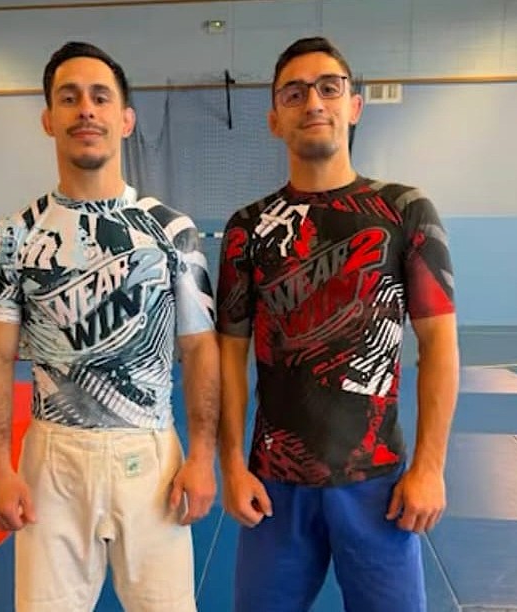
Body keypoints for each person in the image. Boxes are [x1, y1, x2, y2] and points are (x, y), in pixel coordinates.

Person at [0, 41, 220, 612]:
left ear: (126, 120)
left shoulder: (172, 232)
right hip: (52, 461)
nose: (86, 109)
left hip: (151, 454)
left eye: (100, 97)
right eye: (69, 98)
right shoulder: (13, 236)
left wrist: (202, 456)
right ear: (48, 119)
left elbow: (201, 350)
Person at [216, 36, 459, 612]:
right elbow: (228, 355)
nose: (314, 102)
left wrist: (430, 468)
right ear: (274, 119)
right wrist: (230, 465)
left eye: (329, 87)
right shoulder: (248, 228)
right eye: (294, 93)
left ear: (354, 105)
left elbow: (439, 346)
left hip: (377, 482)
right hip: (275, 485)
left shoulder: (405, 210)